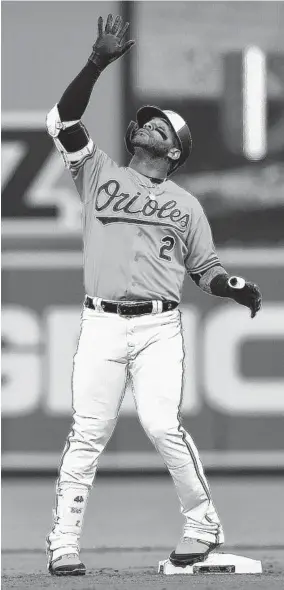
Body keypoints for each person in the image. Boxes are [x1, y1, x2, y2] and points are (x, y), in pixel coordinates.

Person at [45, 14, 262, 576]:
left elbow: (206, 268)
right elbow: (64, 118)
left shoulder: (187, 206)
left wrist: (232, 286)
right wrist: (96, 64)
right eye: (148, 123)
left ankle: (202, 524)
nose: (150, 127)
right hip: (100, 325)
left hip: (159, 328)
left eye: (162, 127)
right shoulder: (96, 172)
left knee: (163, 424)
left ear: (175, 152)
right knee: (87, 432)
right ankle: (63, 543)